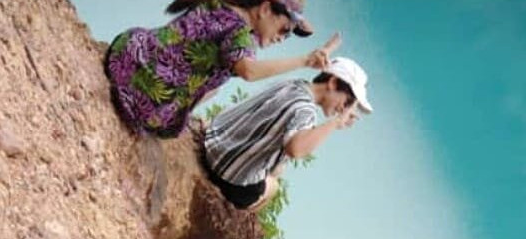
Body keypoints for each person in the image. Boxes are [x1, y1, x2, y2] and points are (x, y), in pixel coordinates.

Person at [105, 0, 337, 138]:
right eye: (285, 28)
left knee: (216, 76)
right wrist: (305, 61)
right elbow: (250, 71)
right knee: (216, 83)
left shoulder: (219, 5)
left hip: (128, 55)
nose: (283, 38)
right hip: (144, 102)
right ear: (265, 8)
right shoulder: (240, 34)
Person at [202, 56, 372, 210]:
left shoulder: (292, 84)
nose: (344, 109)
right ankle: (238, 217)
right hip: (227, 176)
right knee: (273, 185)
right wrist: (336, 122)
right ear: (333, 83)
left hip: (210, 144)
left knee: (277, 165)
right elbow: (296, 150)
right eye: (348, 102)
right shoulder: (306, 110)